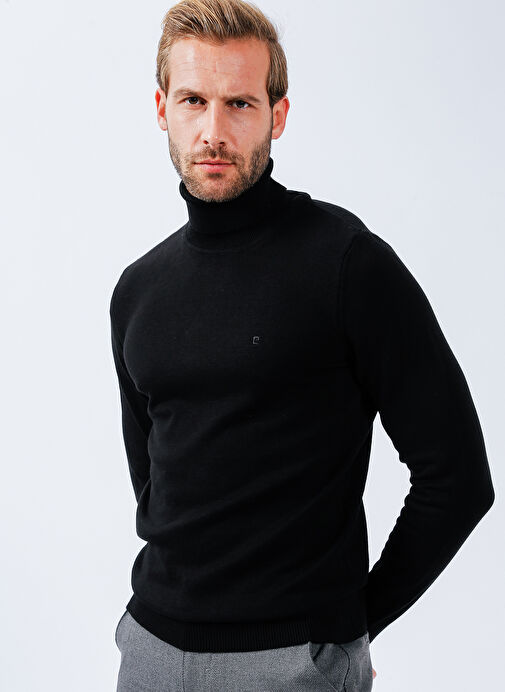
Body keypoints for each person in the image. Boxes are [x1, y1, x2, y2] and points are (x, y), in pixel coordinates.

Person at [110, 1, 495, 690]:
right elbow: (154, 485)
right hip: (149, 651)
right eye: (194, 101)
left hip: (294, 660)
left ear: (277, 116)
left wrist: (350, 627)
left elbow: (458, 479)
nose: (213, 130)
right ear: (162, 108)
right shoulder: (138, 289)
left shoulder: (347, 264)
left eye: (240, 103)